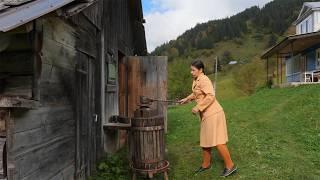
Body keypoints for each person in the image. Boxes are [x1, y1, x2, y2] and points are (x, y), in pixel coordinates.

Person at [178, 60, 237, 177]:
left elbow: (211, 95)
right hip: (206, 115)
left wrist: (198, 107)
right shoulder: (197, 79)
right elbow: (196, 93)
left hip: (213, 113)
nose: (191, 72)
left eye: (193, 70)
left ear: (200, 70)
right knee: (205, 140)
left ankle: (230, 166)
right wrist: (186, 99)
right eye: (191, 70)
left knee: (217, 140)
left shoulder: (204, 79)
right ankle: (206, 164)